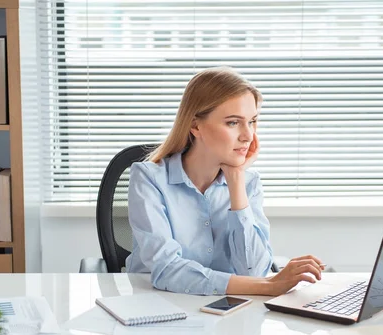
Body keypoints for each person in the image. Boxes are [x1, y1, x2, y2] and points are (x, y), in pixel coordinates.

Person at [125, 66, 324, 296]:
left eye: (252, 121)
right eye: (233, 122)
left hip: (227, 311)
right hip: (158, 306)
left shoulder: (248, 182)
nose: (248, 135)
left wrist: (236, 183)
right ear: (195, 125)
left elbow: (254, 271)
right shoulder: (149, 178)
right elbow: (167, 269)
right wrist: (269, 286)